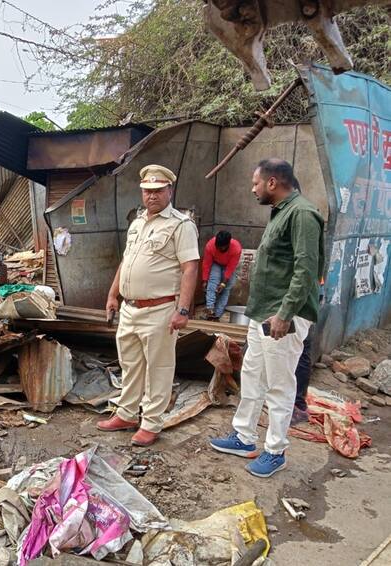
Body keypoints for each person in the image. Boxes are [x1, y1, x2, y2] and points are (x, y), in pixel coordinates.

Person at [210, 159, 324, 478]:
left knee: (279, 384)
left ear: (272, 182)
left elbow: (306, 270)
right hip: (262, 313)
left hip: (281, 316)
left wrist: (285, 313)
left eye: (256, 182)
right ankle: (244, 437)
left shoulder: (302, 214)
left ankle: (275, 451)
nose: (253, 188)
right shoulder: (282, 212)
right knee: (253, 376)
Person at [97, 165, 200, 447]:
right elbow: (126, 262)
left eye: (158, 190)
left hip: (161, 310)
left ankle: (151, 423)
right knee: (129, 365)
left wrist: (183, 309)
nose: (152, 196)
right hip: (130, 308)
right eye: (147, 191)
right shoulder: (138, 223)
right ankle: (127, 413)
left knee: (159, 368)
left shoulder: (181, 225)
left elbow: (190, 268)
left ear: (169, 191)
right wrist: (112, 295)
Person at [201, 230, 242, 320]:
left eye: (222, 247)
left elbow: (231, 267)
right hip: (216, 263)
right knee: (212, 284)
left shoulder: (236, 248)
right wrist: (204, 280)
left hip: (228, 265)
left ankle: (217, 315)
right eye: (218, 247)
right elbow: (207, 263)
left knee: (226, 289)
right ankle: (210, 310)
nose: (219, 249)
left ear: (228, 244)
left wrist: (223, 283)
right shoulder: (210, 246)